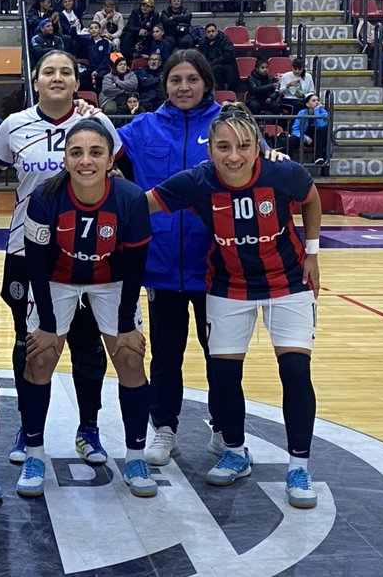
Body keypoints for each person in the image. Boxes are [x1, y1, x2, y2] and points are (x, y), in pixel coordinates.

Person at [146, 102, 322, 509]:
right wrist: (101, 190)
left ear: (258, 146)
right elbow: (146, 203)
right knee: (223, 374)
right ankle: (235, 450)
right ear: (211, 151)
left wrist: (312, 252)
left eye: (244, 146)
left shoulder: (283, 173)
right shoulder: (198, 180)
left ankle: (299, 466)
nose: (234, 156)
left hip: (288, 281)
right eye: (223, 147)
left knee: (295, 369)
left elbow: (311, 198)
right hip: (228, 285)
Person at [0, 50, 123, 472]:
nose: (57, 77)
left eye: (66, 70)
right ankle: (29, 430)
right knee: (29, 343)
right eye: (49, 71)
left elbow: (124, 181)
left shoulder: (99, 125)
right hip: (27, 253)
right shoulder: (13, 126)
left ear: (77, 78)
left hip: (89, 251)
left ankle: (88, 427)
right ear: (36, 79)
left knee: (86, 342)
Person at [20, 119, 154, 498]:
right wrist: (47, 323)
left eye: (96, 152)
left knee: (129, 357)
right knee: (41, 357)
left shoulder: (130, 199)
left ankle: (135, 455)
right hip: (56, 278)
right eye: (76, 152)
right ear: (64, 160)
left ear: (110, 159)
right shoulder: (45, 197)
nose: (85, 161)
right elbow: (36, 263)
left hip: (112, 280)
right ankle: (33, 453)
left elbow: (134, 267)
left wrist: (126, 322)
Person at [115, 50, 221, 467]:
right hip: (160, 267)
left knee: (221, 355)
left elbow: (258, 162)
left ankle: (225, 428)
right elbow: (98, 146)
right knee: (166, 354)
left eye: (192, 79)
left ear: (205, 82)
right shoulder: (142, 129)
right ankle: (165, 428)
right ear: (165, 85)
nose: (183, 87)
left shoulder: (225, 125)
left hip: (217, 265)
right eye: (176, 80)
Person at [288, 93, 329, 164]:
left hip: (317, 140)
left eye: (318, 100)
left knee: (323, 129)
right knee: (292, 139)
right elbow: (295, 130)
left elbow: (321, 126)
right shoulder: (302, 113)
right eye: (313, 100)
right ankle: (287, 159)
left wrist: (316, 111)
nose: (317, 102)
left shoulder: (323, 112)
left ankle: (317, 157)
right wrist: (304, 137)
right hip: (304, 139)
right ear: (307, 104)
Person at [198, 22, 239, 92]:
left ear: (217, 31)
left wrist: (212, 63)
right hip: (210, 65)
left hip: (225, 66)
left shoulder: (225, 40)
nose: (211, 33)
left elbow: (228, 56)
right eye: (208, 32)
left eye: (213, 31)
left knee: (214, 69)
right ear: (205, 33)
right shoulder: (203, 43)